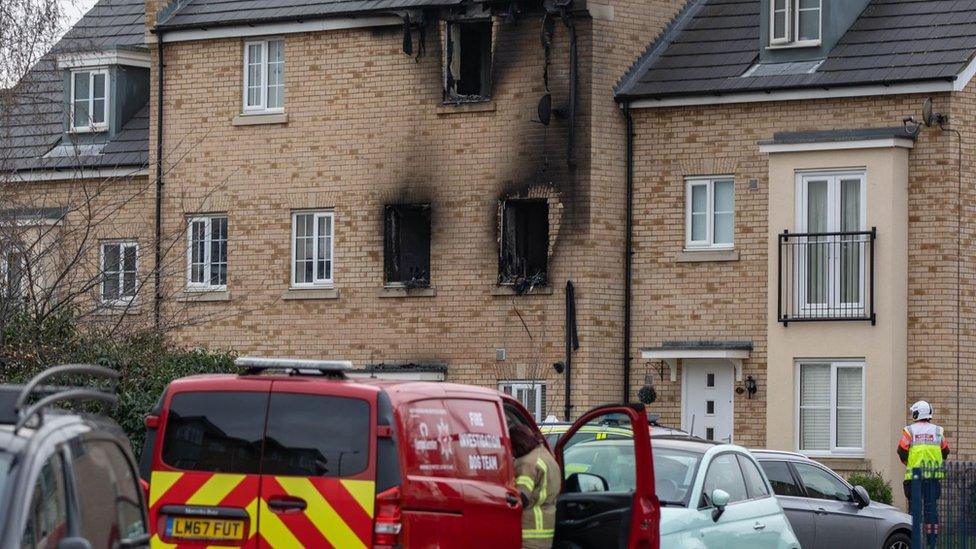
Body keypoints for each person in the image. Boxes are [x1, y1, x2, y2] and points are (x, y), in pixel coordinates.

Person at [898, 400, 949, 547]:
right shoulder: (938, 431)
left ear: (916, 413)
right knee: (931, 511)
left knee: (915, 512)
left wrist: (908, 464)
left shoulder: (909, 430)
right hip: (932, 479)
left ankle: (914, 541)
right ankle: (931, 543)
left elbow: (901, 451)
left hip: (914, 479)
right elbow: (945, 451)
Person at [510, 423, 560, 549]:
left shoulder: (528, 463)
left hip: (529, 532)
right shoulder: (546, 456)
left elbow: (520, 498)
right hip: (545, 531)